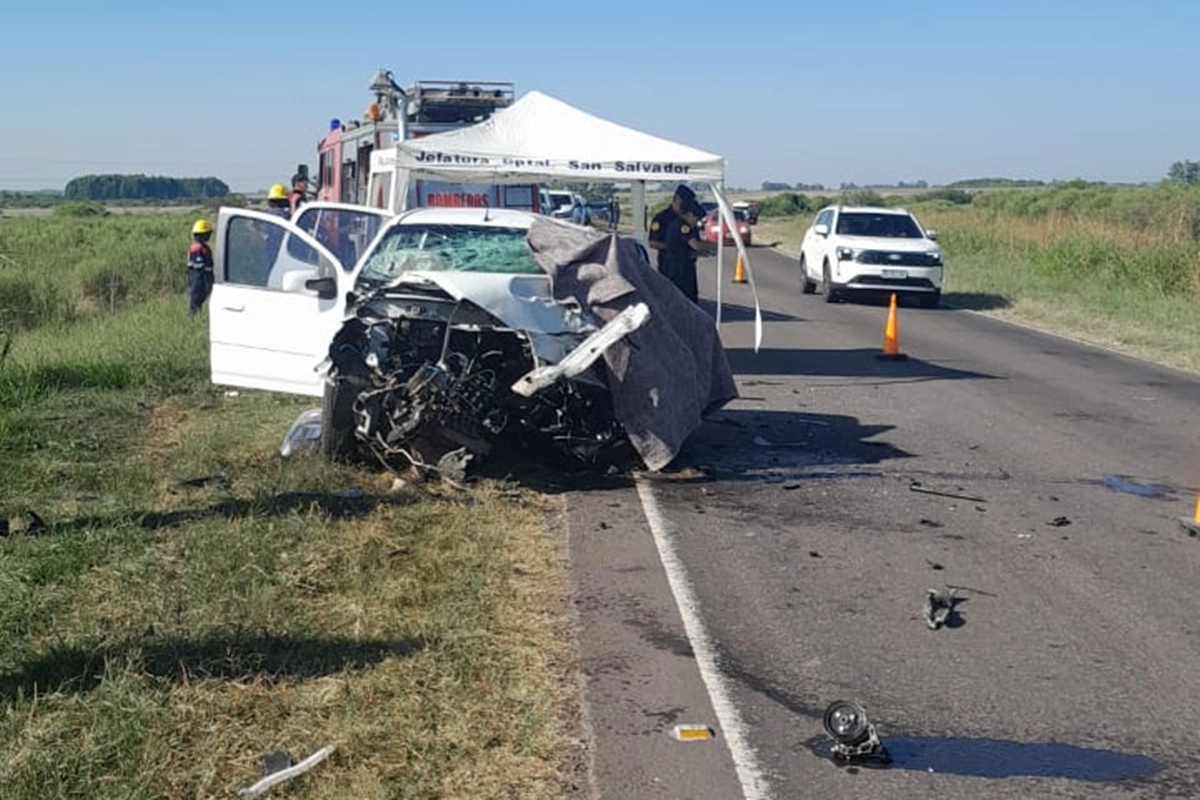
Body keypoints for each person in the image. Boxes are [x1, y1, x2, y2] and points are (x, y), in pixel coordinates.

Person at [660, 187, 716, 304]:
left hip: (683, 267)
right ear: (690, 214)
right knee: (683, 300)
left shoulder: (683, 225)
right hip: (677, 270)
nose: (696, 222)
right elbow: (695, 244)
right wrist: (714, 245)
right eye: (696, 219)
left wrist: (700, 253)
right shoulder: (682, 226)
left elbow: (686, 250)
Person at [187, 218, 215, 314]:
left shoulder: (202, 247)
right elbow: (199, 267)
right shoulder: (197, 249)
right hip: (198, 279)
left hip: (201, 278)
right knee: (195, 305)